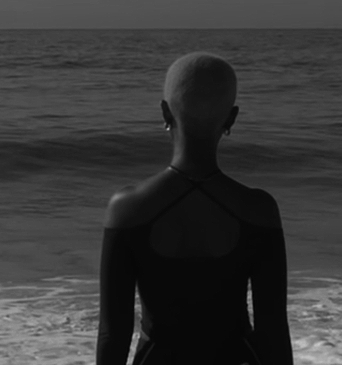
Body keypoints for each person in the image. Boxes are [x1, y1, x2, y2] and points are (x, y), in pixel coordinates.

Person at [96, 52, 293, 365]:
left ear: (164, 111)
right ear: (232, 118)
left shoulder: (127, 207)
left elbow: (113, 333)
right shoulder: (258, 209)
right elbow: (273, 331)